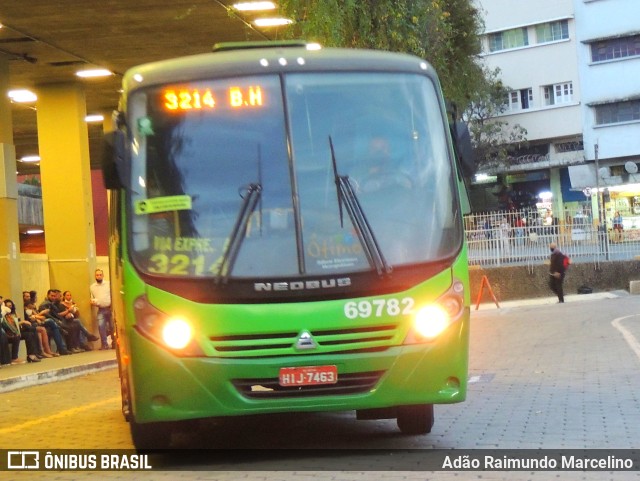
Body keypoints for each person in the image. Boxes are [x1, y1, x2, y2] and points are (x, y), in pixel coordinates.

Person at [2, 299, 41, 363]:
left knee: (29, 334)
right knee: (17, 336)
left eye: (11, 305)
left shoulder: (13, 313)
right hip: (9, 333)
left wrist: (19, 320)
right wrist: (21, 322)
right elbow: (10, 326)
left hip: (16, 331)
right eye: (8, 306)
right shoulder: (4, 315)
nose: (10, 307)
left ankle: (31, 355)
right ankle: (14, 358)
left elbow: (18, 323)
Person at [90, 269, 114, 350]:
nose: (99, 276)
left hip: (110, 308)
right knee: (101, 326)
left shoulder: (108, 284)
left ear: (103, 276)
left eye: (100, 275)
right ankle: (104, 344)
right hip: (101, 309)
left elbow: (113, 294)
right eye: (97, 275)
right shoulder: (92, 287)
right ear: (95, 276)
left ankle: (114, 343)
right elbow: (92, 298)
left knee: (112, 326)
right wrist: (93, 302)